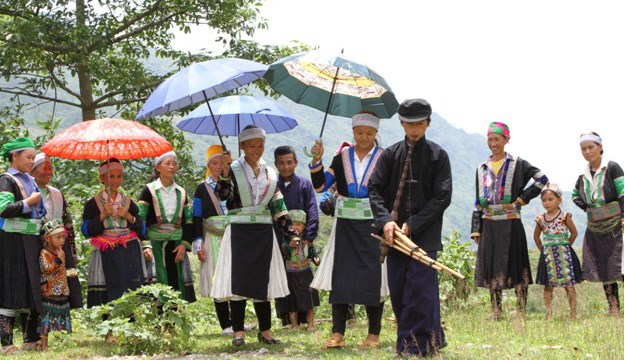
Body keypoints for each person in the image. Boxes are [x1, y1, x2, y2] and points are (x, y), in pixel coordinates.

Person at [369, 99, 451, 356]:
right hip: (394, 237)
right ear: (402, 124)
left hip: (424, 235)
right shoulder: (391, 155)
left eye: (419, 124)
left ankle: (413, 346)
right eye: (409, 124)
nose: (414, 129)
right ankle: (432, 339)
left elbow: (443, 196)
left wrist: (414, 222)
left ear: (427, 123)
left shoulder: (438, 155)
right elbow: (374, 190)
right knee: (400, 288)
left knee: (420, 289)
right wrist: (386, 221)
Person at [211, 125, 298, 346]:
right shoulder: (233, 169)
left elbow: (278, 203)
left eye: (260, 145)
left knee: (262, 279)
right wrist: (225, 173)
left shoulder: (270, 171)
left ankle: (265, 331)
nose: (256, 149)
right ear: (242, 146)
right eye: (251, 145)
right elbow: (222, 195)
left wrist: (290, 232)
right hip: (239, 230)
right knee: (238, 281)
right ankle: (238, 332)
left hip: (262, 231)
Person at [309, 111, 387, 349]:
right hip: (344, 225)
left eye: (369, 133)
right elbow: (321, 185)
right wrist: (316, 161)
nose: (364, 137)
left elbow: (391, 191)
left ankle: (373, 334)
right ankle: (337, 333)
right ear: (353, 132)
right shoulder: (341, 157)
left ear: (376, 133)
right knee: (340, 276)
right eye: (360, 132)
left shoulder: (385, 158)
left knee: (373, 276)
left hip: (373, 225)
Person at [471, 122, 549, 320]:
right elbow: (477, 201)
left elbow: (541, 179)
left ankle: (521, 311)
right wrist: (476, 228)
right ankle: (497, 310)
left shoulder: (518, 164)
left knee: (517, 263)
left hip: (511, 220)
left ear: (507, 140)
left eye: (497, 139)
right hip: (489, 222)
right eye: (490, 139)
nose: (493, 143)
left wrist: (524, 197)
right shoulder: (481, 168)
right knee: (491, 265)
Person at [193, 145, 255, 335]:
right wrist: (198, 242)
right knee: (216, 277)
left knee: (237, 277)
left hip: (235, 234)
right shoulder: (201, 189)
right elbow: (196, 216)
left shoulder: (234, 185)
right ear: (209, 165)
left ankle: (238, 323)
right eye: (215, 162)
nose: (219, 166)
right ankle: (225, 324)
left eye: (223, 162)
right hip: (212, 236)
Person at [81, 158, 151, 315]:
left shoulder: (128, 203)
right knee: (107, 286)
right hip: (106, 251)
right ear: (102, 178)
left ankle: (131, 322)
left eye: (119, 176)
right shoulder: (93, 204)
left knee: (129, 285)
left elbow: (143, 229)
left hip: (128, 251)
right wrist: (100, 217)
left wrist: (129, 217)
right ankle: (108, 326)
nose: (115, 180)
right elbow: (85, 230)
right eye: (111, 176)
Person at [0, 137, 46, 354]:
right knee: (10, 288)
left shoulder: (30, 179)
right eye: (28, 157)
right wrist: (29, 202)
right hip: (12, 243)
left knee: (31, 288)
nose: (32, 161)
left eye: (33, 157)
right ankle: (7, 343)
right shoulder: (6, 180)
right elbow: (3, 209)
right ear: (14, 156)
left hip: (31, 241)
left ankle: (30, 339)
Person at [573, 132, 623, 315]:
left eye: (591, 147)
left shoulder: (612, 168)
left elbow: (622, 193)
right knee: (604, 266)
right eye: (583, 149)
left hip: (617, 225)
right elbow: (575, 195)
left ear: (600, 147)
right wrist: (589, 209)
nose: (587, 152)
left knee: (620, 264)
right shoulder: (583, 175)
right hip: (596, 227)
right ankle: (614, 308)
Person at [138, 151, 196, 303]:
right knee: (157, 283)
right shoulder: (148, 190)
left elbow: (189, 221)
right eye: (167, 163)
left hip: (176, 245)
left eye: (174, 163)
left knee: (176, 282)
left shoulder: (181, 192)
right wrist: (145, 244)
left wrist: (184, 244)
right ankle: (157, 323)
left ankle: (174, 322)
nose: (172, 167)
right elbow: (140, 219)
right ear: (158, 167)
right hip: (155, 244)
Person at [273, 145, 320, 328]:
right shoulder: (272, 186)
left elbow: (312, 211)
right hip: (279, 238)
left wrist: (309, 236)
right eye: (281, 163)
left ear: (296, 162)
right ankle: (285, 318)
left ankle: (305, 318)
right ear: (276, 164)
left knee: (302, 279)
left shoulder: (304, 184)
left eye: (289, 162)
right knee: (281, 277)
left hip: (301, 241)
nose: (286, 167)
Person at [30, 153, 82, 310]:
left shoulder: (57, 194)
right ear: (32, 171)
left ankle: (56, 321)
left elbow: (68, 224)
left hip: (59, 245)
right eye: (44, 168)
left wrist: (72, 252)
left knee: (62, 285)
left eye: (50, 168)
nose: (48, 172)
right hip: (37, 246)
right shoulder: (27, 192)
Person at [532, 182, 581, 320]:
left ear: (559, 199)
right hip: (548, 255)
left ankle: (573, 314)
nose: (547, 203)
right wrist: (543, 250)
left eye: (550, 199)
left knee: (569, 285)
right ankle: (548, 315)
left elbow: (574, 233)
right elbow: (536, 236)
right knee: (548, 286)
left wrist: (566, 246)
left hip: (564, 254)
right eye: (544, 200)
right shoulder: (540, 219)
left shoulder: (565, 216)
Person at [38, 219, 75, 351]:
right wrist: (58, 259)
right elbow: (46, 269)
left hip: (62, 289)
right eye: (58, 237)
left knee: (61, 317)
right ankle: (44, 346)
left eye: (63, 237)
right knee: (47, 318)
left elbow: (63, 269)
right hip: (49, 290)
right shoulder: (44, 253)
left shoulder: (61, 251)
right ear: (48, 238)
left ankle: (61, 342)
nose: (62, 241)